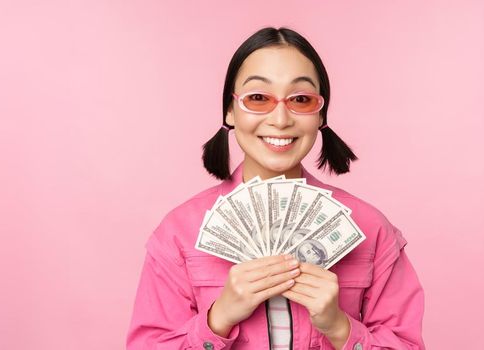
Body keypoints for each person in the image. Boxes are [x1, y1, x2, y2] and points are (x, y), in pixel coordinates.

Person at [126, 26, 425, 350]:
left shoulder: (371, 230)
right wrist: (218, 320)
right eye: (258, 98)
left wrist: (339, 328)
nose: (280, 119)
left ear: (320, 113)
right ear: (230, 109)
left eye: (300, 99)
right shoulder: (178, 235)